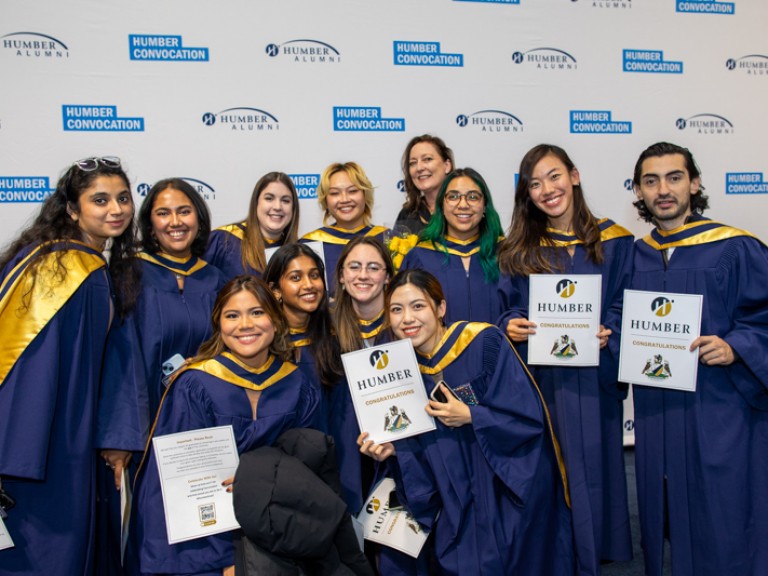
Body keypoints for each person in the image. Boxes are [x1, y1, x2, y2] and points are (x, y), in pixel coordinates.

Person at [358, 269, 574, 575]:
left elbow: (527, 418)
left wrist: (473, 415)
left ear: (440, 308)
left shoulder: (483, 342)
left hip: (501, 482)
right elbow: (414, 447)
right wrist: (393, 450)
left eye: (418, 306)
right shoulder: (399, 373)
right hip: (451, 496)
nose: (407, 318)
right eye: (396, 309)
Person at [630, 142, 768, 576]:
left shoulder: (734, 248)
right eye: (651, 181)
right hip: (657, 412)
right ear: (639, 190)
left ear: (695, 183)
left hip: (719, 409)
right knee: (662, 514)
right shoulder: (636, 254)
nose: (663, 190)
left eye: (674, 177)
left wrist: (736, 347)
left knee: (723, 513)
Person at [496, 144, 633, 575]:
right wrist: (511, 324)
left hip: (595, 381)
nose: (546, 190)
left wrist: (611, 327)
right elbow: (508, 306)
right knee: (551, 471)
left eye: (554, 176)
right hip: (545, 382)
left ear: (574, 176)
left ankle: (597, 551)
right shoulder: (519, 248)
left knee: (595, 467)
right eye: (534, 184)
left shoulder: (617, 241)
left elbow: (627, 301)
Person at [0, 156, 140, 576]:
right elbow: (29, 372)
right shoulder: (70, 270)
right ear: (72, 210)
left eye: (122, 198)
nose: (115, 209)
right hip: (42, 449)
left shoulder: (60, 260)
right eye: (100, 200)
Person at [133, 275, 320, 576]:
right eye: (232, 315)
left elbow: (309, 468)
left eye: (257, 312)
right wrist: (225, 561)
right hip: (207, 546)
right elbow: (187, 484)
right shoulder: (196, 384)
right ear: (219, 324)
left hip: (281, 538)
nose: (245, 325)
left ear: (275, 319)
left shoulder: (298, 383)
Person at [95, 178, 226, 574]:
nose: (175, 221)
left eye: (184, 211)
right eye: (163, 213)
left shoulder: (215, 280)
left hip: (206, 424)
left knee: (209, 524)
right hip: (149, 423)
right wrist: (120, 437)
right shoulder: (130, 274)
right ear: (149, 224)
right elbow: (120, 358)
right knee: (152, 528)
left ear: (199, 220)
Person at [400, 167, 503, 324]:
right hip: (438, 349)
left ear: (484, 207)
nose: (463, 205)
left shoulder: (506, 253)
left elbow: (519, 309)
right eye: (453, 197)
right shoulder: (420, 257)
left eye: (473, 197)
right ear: (441, 206)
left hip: (497, 348)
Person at [301, 162, 388, 297]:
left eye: (353, 191)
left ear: (365, 194)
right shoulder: (309, 246)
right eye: (335, 193)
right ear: (326, 200)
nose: (345, 199)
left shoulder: (389, 240)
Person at [205, 172, 299, 279]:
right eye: (269, 198)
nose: (277, 206)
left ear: (293, 208)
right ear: (256, 202)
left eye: (285, 200)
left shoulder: (297, 250)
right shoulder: (223, 240)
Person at [394, 134, 454, 235]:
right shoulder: (407, 214)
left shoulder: (461, 209)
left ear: (447, 166)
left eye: (427, 159)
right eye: (413, 163)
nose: (419, 168)